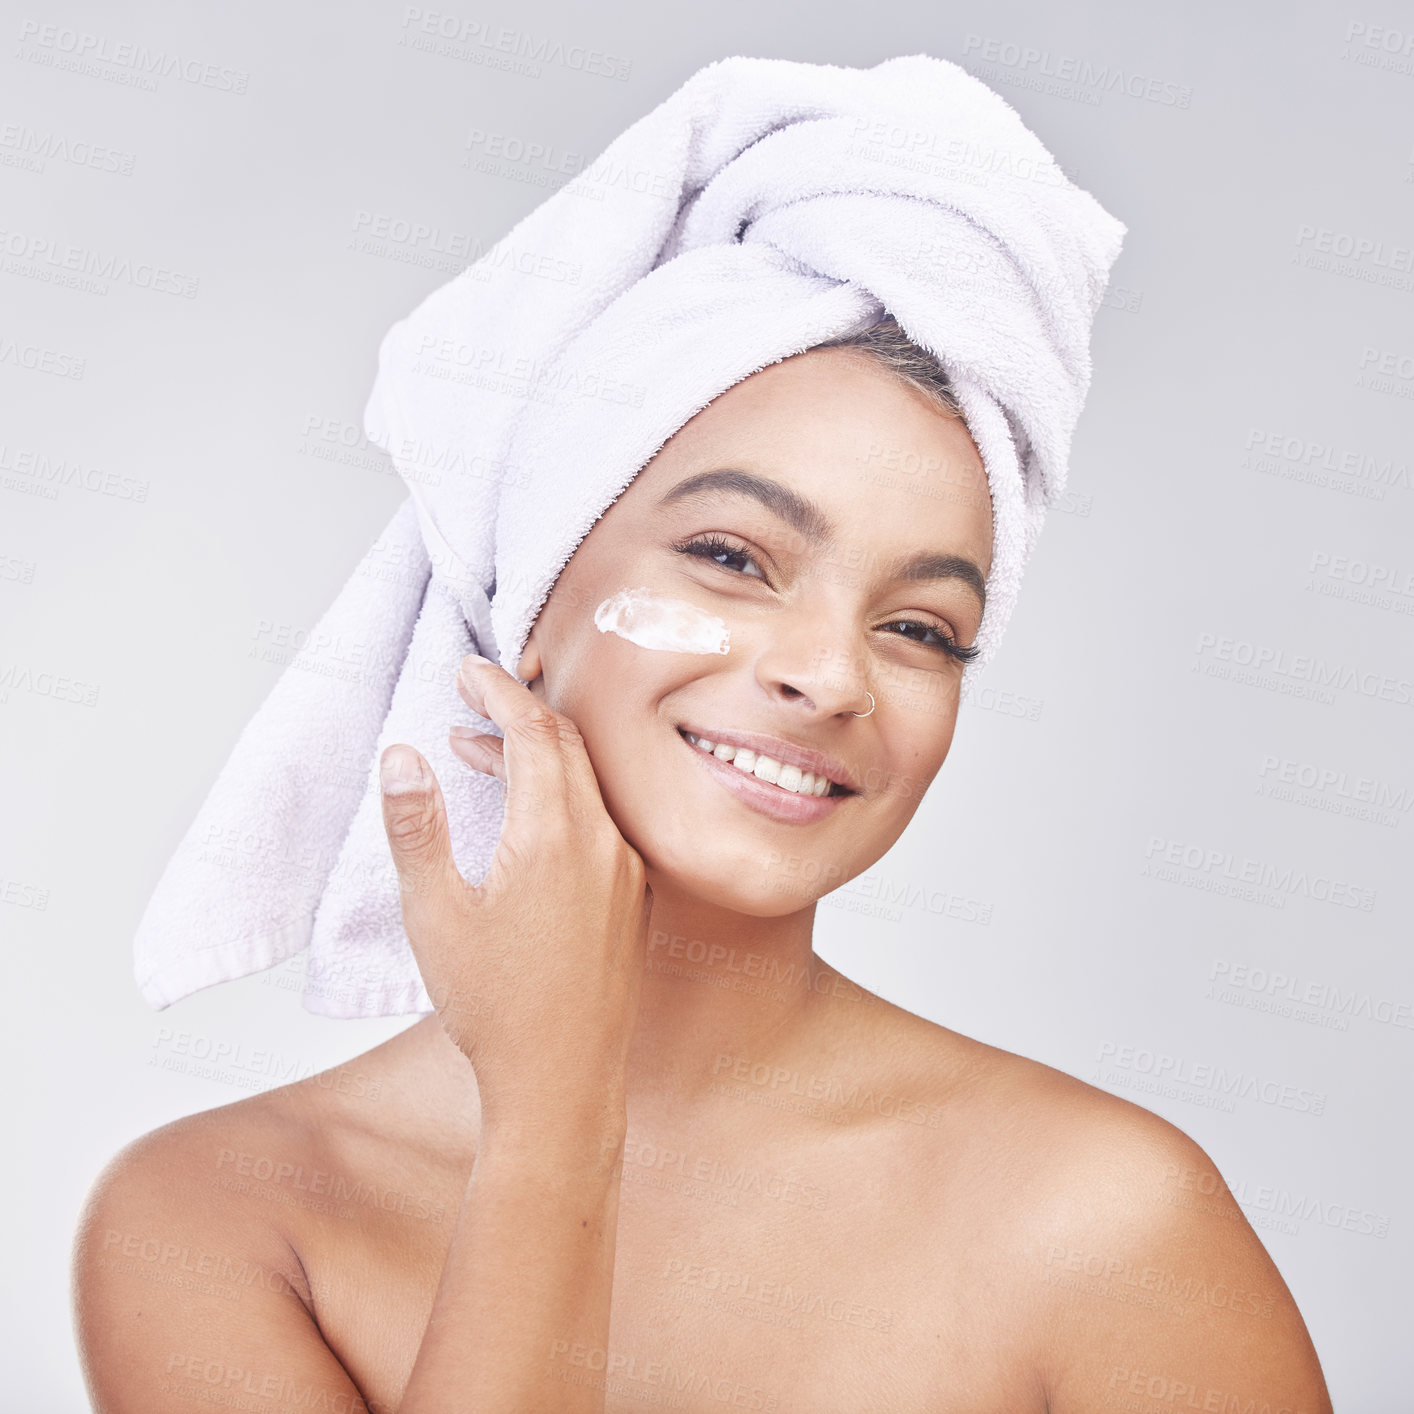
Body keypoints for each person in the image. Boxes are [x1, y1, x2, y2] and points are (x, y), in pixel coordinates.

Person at [71, 315, 1334, 1412]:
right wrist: (553, 1113)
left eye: (918, 628)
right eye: (733, 558)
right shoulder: (221, 1221)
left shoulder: (1103, 1218)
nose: (831, 677)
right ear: (529, 593)